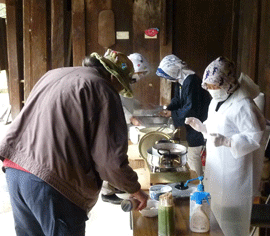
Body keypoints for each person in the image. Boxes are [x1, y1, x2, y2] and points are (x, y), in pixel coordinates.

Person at [0, 48, 148, 236]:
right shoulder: (102, 88)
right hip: (52, 180)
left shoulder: (54, 74)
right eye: (121, 85)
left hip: (16, 169)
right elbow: (110, 161)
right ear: (113, 78)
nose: (118, 91)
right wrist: (135, 189)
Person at [185, 56, 268, 236]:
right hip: (216, 166)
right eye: (210, 86)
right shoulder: (216, 101)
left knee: (232, 219)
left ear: (228, 82)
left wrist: (227, 141)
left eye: (215, 86)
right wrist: (202, 128)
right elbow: (216, 129)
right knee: (214, 211)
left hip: (235, 171)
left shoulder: (243, 105)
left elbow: (255, 136)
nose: (212, 90)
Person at [101, 52, 151, 204]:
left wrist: (139, 105)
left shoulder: (125, 80)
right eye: (140, 73)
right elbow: (117, 103)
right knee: (112, 156)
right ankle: (107, 192)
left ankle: (116, 185)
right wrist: (131, 117)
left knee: (120, 155)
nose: (140, 77)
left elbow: (127, 99)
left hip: (121, 122)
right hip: (115, 122)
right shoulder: (114, 80)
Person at [156, 54, 211, 177]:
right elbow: (178, 100)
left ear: (172, 70)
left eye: (167, 75)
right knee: (193, 154)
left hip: (199, 123)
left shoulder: (192, 81)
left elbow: (191, 108)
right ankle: (198, 180)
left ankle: (198, 182)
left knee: (195, 155)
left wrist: (172, 114)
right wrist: (169, 109)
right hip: (193, 124)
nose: (167, 79)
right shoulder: (181, 80)